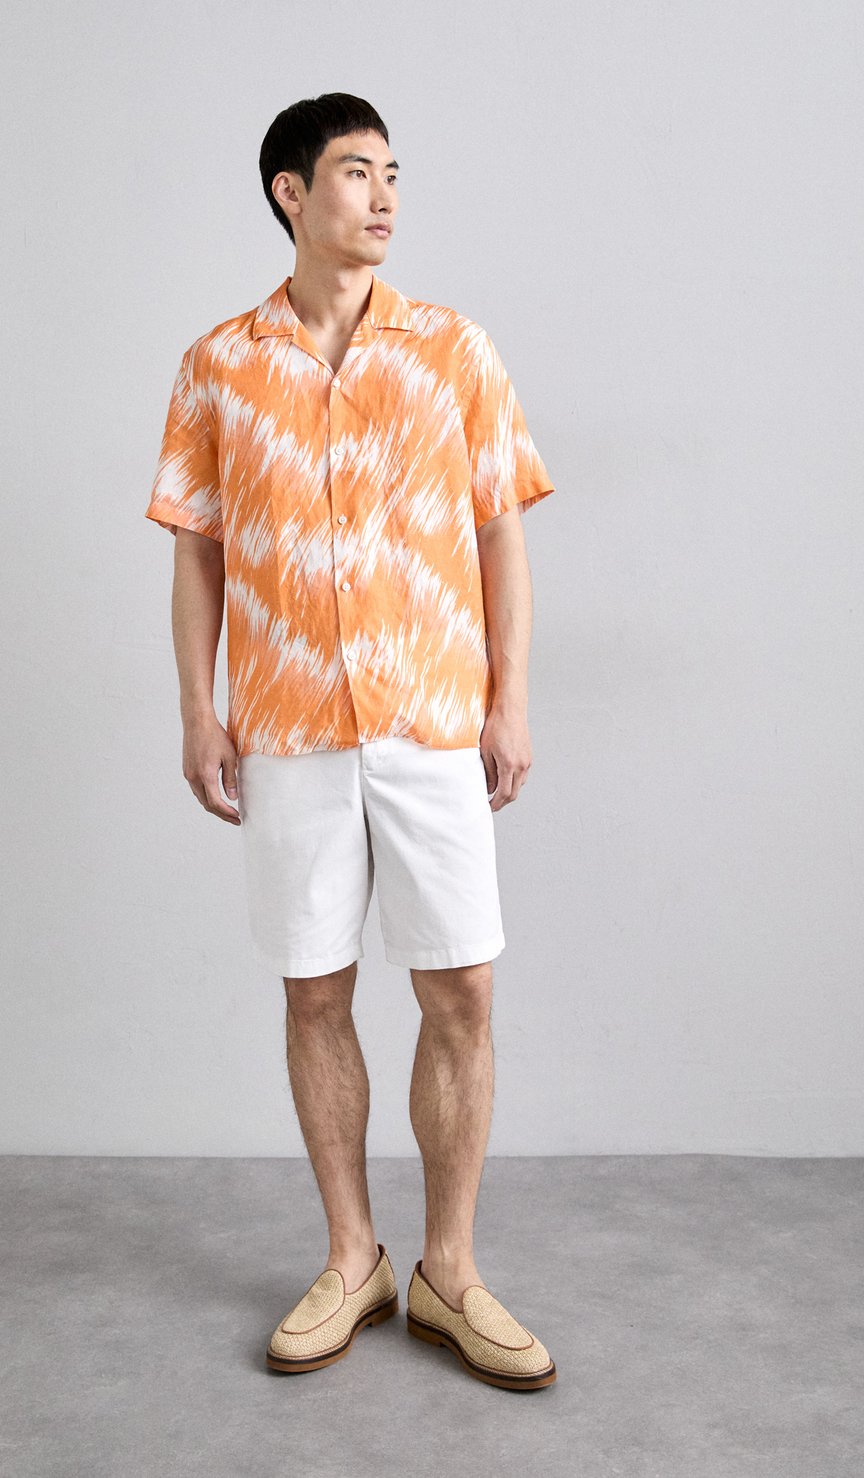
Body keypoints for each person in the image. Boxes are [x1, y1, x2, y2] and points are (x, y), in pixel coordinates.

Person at [145, 92, 558, 1391]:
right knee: (314, 991)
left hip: (432, 713)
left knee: (463, 990)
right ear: (290, 191)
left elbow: (500, 528)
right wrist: (199, 709)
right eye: (354, 172)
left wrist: (509, 699)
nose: (382, 196)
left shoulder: (453, 349)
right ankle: (350, 1257)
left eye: (392, 174)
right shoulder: (218, 364)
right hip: (289, 727)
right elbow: (198, 552)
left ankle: (451, 1270)